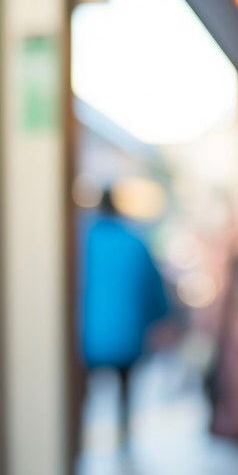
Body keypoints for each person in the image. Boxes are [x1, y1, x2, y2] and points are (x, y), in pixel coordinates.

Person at [80, 187, 169, 454]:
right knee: (126, 390)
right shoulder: (135, 241)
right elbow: (154, 290)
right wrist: (158, 320)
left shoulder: (84, 241)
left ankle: (80, 439)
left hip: (87, 336)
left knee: (85, 392)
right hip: (128, 334)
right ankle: (124, 441)